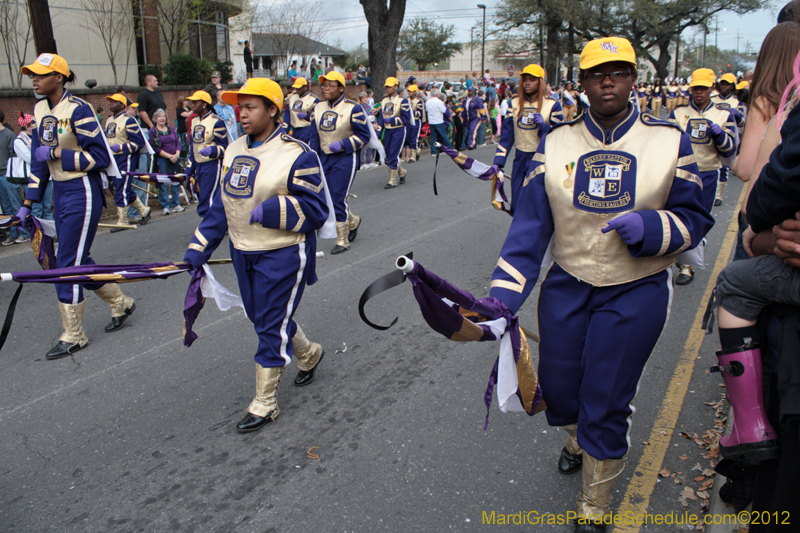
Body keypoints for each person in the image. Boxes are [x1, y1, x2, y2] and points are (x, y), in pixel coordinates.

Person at [488, 38, 713, 532]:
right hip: (568, 284)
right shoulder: (556, 141)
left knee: (607, 395)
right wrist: (500, 300)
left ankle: (595, 503)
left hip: (637, 287)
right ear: (582, 83)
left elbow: (695, 216)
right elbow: (529, 230)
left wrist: (653, 229)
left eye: (618, 71)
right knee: (562, 391)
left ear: (634, 79)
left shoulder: (669, 140)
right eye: (596, 73)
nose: (607, 80)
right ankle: (578, 435)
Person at [183, 78, 329, 434]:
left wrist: (275, 210)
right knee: (259, 315)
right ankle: (308, 353)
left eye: (250, 107)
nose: (242, 113)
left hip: (282, 254)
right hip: (241, 251)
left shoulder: (298, 153)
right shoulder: (233, 150)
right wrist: (198, 247)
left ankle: (265, 402)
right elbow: (221, 204)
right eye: (239, 106)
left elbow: (316, 210)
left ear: (272, 109)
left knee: (268, 324)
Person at [19, 53, 140, 359]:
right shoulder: (38, 108)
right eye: (31, 74)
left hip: (82, 190)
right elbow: (38, 160)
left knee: (67, 262)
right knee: (79, 258)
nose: (34, 78)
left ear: (59, 77)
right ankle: (120, 302)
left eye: (40, 74)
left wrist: (59, 152)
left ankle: (74, 333)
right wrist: (28, 202)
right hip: (60, 191)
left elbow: (100, 157)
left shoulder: (79, 109)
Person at [669, 68, 737, 285]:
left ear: (711, 89)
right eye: (695, 88)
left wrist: (720, 136)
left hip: (708, 172)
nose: (699, 92)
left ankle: (688, 265)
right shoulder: (678, 113)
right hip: (680, 173)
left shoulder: (723, 114)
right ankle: (681, 261)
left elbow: (730, 151)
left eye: (703, 88)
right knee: (678, 216)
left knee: (699, 217)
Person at [308, 71, 370, 254]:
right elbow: (314, 135)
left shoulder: (353, 108)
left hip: (345, 157)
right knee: (328, 198)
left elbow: (363, 136)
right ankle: (353, 220)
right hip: (324, 158)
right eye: (324, 85)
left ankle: (342, 239)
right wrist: (312, 157)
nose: (326, 88)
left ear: (341, 88)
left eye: (331, 85)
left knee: (337, 196)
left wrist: (343, 144)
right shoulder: (317, 107)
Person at [492, 63, 563, 215]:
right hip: (520, 159)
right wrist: (498, 163)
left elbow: (560, 138)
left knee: (537, 205)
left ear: (540, 82)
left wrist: (544, 127)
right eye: (525, 80)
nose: (527, 83)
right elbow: (506, 136)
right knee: (516, 204)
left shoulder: (553, 105)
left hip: (541, 160)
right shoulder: (514, 102)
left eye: (532, 79)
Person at [104, 93, 152, 230]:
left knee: (122, 188)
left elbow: (138, 142)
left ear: (122, 105)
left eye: (114, 101)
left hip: (126, 158)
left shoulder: (129, 120)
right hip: (113, 159)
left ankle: (123, 220)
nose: (111, 103)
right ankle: (144, 210)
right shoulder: (109, 121)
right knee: (121, 187)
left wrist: (120, 147)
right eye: (110, 101)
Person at [184, 90, 228, 217]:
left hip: (212, 164)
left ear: (204, 104)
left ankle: (209, 225)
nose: (192, 106)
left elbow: (224, 148)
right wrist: (189, 169)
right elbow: (193, 147)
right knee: (201, 194)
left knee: (208, 197)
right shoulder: (193, 121)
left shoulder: (216, 121)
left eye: (195, 103)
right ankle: (217, 223)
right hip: (199, 164)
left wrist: (212, 151)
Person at [711, 73, 747, 206]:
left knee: (723, 165)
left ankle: (718, 194)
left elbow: (743, 122)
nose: (724, 86)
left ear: (732, 86)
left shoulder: (737, 102)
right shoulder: (713, 99)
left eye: (727, 84)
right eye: (723, 83)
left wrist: (737, 115)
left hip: (730, 135)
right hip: (712, 134)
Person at [10, 113, 52, 222]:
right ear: (28, 126)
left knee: (47, 208)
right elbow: (30, 158)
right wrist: (44, 154)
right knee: (37, 208)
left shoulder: (39, 137)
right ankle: (39, 235)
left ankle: (52, 233)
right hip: (32, 178)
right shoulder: (18, 141)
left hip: (48, 176)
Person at [0, 109, 30, 246]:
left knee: (16, 204)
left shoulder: (9, 135)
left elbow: (14, 157)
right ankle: (13, 233)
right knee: (6, 207)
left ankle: (24, 232)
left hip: (8, 174)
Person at [149, 109, 184, 215]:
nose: (162, 118)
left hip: (174, 158)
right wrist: (169, 156)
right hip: (162, 159)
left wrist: (177, 154)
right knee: (163, 182)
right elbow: (155, 147)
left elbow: (178, 142)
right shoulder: (153, 131)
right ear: (155, 118)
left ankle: (175, 204)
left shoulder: (171, 129)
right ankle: (165, 206)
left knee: (175, 180)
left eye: (163, 116)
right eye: (159, 116)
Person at [380, 76, 411, 189]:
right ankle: (401, 172)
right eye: (386, 87)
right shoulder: (384, 100)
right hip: (387, 130)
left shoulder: (402, 100)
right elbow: (381, 119)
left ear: (396, 87)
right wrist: (379, 131)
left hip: (398, 130)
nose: (387, 89)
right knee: (389, 155)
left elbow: (405, 118)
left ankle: (392, 180)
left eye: (390, 86)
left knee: (393, 154)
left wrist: (392, 120)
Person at [283, 77, 319, 145]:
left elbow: (317, 117)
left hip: (306, 129)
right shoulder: (292, 98)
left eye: (299, 88)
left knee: (302, 148)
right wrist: (284, 131)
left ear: (305, 87)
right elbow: (287, 115)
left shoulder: (314, 99)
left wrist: (307, 115)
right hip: (294, 128)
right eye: (296, 88)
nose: (297, 90)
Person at [425, 89, 452, 155]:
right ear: (438, 94)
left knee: (433, 137)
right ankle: (450, 149)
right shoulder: (439, 102)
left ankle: (433, 151)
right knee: (444, 136)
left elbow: (427, 110)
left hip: (431, 121)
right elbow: (443, 110)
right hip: (439, 121)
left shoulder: (428, 102)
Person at [403, 84, 425, 162]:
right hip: (408, 121)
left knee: (413, 138)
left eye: (411, 91)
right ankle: (417, 150)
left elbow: (420, 113)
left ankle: (413, 156)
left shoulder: (419, 101)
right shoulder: (406, 99)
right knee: (408, 138)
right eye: (408, 91)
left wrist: (410, 113)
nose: (409, 93)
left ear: (415, 92)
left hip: (415, 121)